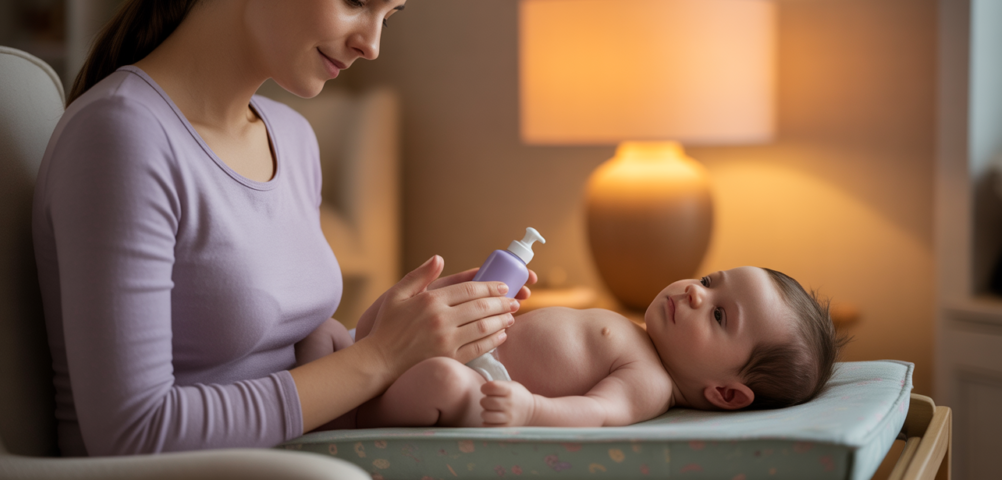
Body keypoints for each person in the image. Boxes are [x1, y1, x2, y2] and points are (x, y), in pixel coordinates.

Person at [32, 0, 532, 457]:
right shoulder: (124, 136)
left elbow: (281, 367)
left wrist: (391, 334)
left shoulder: (291, 139)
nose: (372, 44)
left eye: (387, 17)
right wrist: (379, 358)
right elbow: (133, 433)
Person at [312, 267, 842, 428]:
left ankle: (346, 417)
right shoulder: (640, 332)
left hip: (471, 380)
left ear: (726, 394)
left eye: (720, 314)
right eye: (709, 281)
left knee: (447, 385)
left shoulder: (652, 383)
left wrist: (530, 407)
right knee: (317, 328)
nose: (693, 293)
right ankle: (339, 372)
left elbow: (599, 413)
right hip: (435, 348)